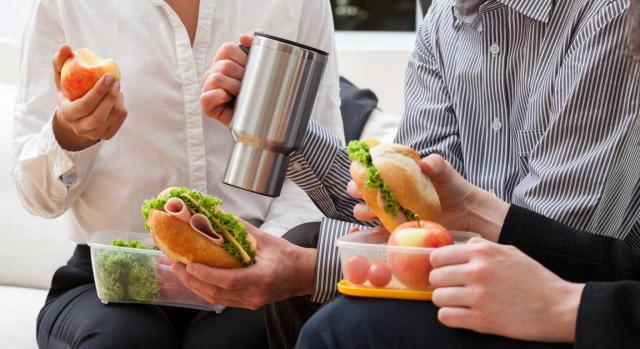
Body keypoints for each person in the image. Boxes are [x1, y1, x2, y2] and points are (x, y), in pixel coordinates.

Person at [185, 0, 639, 346]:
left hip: (558, 292)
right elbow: (408, 214)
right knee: (307, 240)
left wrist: (311, 269)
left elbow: (544, 253)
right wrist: (281, 126)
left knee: (337, 314)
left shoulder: (607, 16)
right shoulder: (444, 20)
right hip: (487, 267)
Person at [11, 0, 343, 348]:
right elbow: (37, 197)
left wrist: (267, 260)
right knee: (124, 340)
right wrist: (72, 135)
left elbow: (317, 175)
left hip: (259, 268)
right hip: (111, 276)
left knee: (232, 342)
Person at [296, 154, 640, 348]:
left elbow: (565, 209)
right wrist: (473, 212)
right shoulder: (437, 35)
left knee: (341, 328)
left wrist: (567, 304)